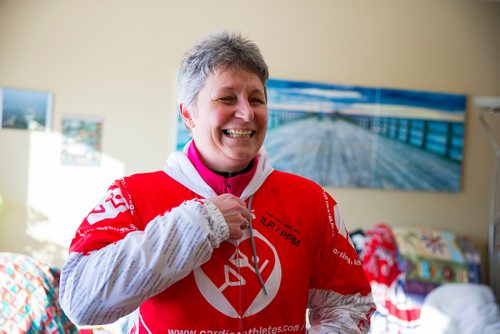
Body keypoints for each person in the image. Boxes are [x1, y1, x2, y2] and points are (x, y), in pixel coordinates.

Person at [59, 30, 375, 333]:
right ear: (188, 115)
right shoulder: (133, 196)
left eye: (256, 99)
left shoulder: (311, 201)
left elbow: (350, 305)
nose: (247, 113)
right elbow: (80, 303)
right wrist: (195, 225)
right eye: (226, 98)